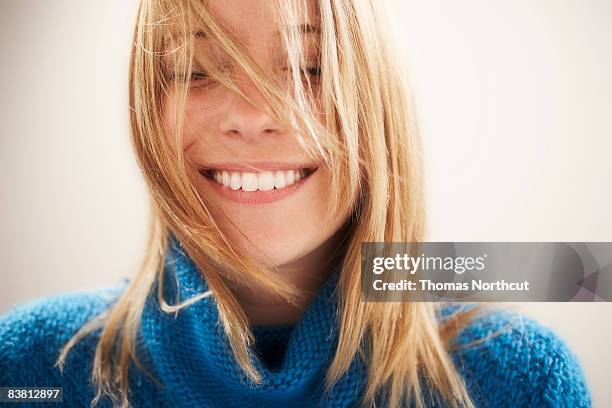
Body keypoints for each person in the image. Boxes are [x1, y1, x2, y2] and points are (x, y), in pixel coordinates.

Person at [0, 0, 591, 407]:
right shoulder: (26, 366)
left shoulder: (518, 377)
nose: (253, 114)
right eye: (197, 70)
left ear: (376, 105)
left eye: (310, 67)